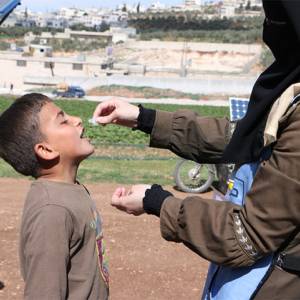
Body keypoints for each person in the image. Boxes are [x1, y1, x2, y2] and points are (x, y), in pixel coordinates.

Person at [92, 1, 300, 299]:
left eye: (277, 17)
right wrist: (145, 118)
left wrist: (158, 202)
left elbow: (244, 237)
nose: (269, 27)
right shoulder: (290, 88)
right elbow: (240, 135)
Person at [0, 93, 109, 299]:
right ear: (46, 150)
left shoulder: (68, 190)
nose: (77, 120)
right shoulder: (52, 210)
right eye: (63, 120)